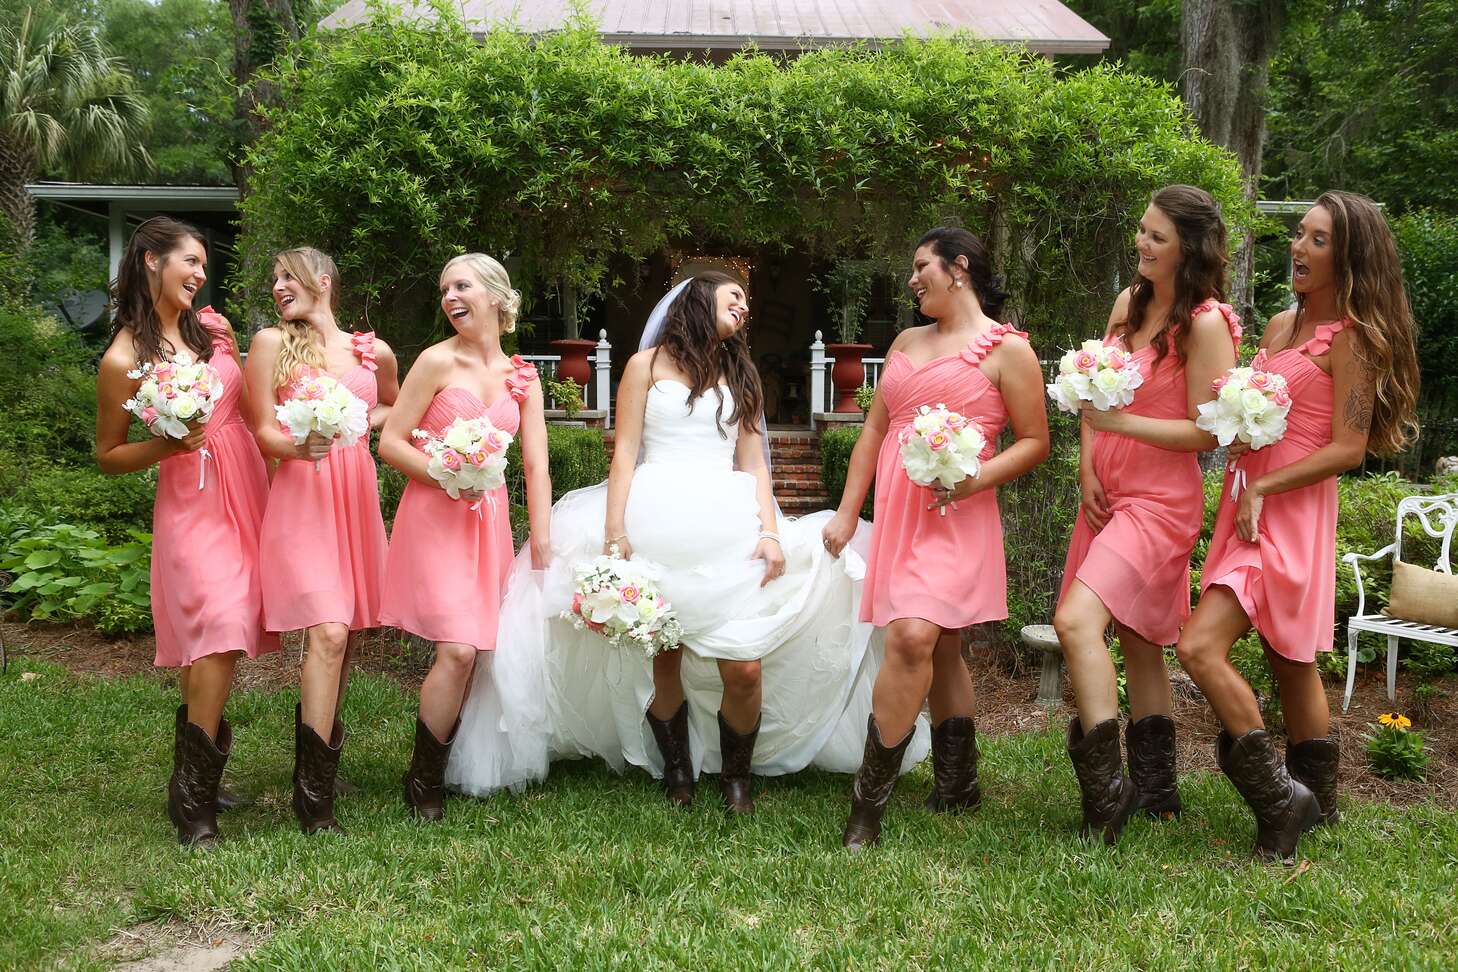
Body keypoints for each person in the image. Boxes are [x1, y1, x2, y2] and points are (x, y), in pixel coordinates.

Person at [448, 272, 930, 811]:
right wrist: (614, 533)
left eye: (748, 300)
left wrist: (770, 532)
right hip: (656, 522)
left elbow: (754, 463)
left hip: (727, 526)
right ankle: (677, 771)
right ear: (702, 300)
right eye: (735, 298)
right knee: (666, 656)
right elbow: (625, 453)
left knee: (743, 667)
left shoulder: (739, 373)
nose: (745, 308)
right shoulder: (643, 367)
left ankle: (736, 776)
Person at [1177, 190, 1420, 862]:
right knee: (1289, 661)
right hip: (1247, 501)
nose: (1298, 248)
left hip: (1289, 508)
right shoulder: (1282, 326)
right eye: (1300, 236)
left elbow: (1349, 447)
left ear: (1348, 256)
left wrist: (1268, 486)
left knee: (1202, 648)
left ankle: (1286, 806)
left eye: (1317, 239)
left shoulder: (1356, 340)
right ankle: (1318, 804)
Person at [822, 227, 1050, 849]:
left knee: (914, 636)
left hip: (957, 513)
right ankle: (957, 782)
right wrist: (847, 513)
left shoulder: (1009, 351)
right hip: (902, 513)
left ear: (959, 267)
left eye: (921, 266)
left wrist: (976, 479)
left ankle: (866, 806)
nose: (912, 278)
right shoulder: (904, 341)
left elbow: (1035, 441)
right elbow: (874, 433)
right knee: (942, 647)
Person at [1052, 185, 1239, 843]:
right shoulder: (1128, 306)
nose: (1143, 244)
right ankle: (1157, 794)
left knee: (1075, 621)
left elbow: (1208, 432)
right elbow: (1091, 391)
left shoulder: (1206, 323)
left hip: (1161, 502)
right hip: (1107, 493)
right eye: (1142, 231)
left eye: (1157, 236)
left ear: (1189, 246)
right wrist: (1087, 460)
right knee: (1136, 637)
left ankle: (1105, 801)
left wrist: (1122, 422)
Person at [95, 217, 277, 844]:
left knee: (215, 636)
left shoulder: (216, 331)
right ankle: (192, 795)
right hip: (191, 499)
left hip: (245, 488)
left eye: (203, 265)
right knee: (219, 626)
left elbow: (254, 415)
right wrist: (165, 444)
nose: (201, 274)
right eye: (190, 262)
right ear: (150, 260)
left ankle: (197, 768)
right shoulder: (124, 358)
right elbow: (108, 455)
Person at [378, 254, 550, 821]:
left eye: (462, 285)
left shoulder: (522, 377)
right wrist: (446, 474)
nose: (450, 296)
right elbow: (393, 443)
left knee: (474, 650)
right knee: (455, 649)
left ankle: (438, 763)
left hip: (488, 523)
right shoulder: (434, 361)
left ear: (497, 296)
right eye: (444, 288)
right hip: (435, 514)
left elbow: (535, 466)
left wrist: (542, 540)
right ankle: (422, 779)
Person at [243, 247, 398, 833]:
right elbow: (261, 429)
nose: (280, 286)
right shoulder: (270, 345)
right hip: (302, 493)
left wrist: (356, 422)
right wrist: (298, 444)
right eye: (275, 278)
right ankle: (313, 803)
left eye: (290, 276)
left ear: (324, 281)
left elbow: (392, 403)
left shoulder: (369, 350)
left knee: (346, 638)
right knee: (328, 632)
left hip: (353, 494)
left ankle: (321, 766)